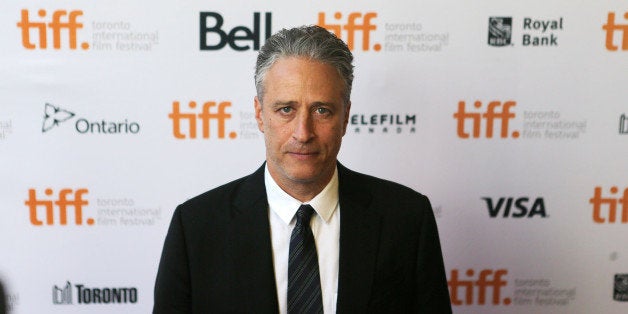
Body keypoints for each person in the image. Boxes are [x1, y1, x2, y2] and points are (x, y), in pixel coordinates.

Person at [154, 25, 451, 313]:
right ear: (259, 114)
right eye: (286, 109)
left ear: (345, 116)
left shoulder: (407, 219)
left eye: (322, 110)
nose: (303, 132)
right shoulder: (196, 227)